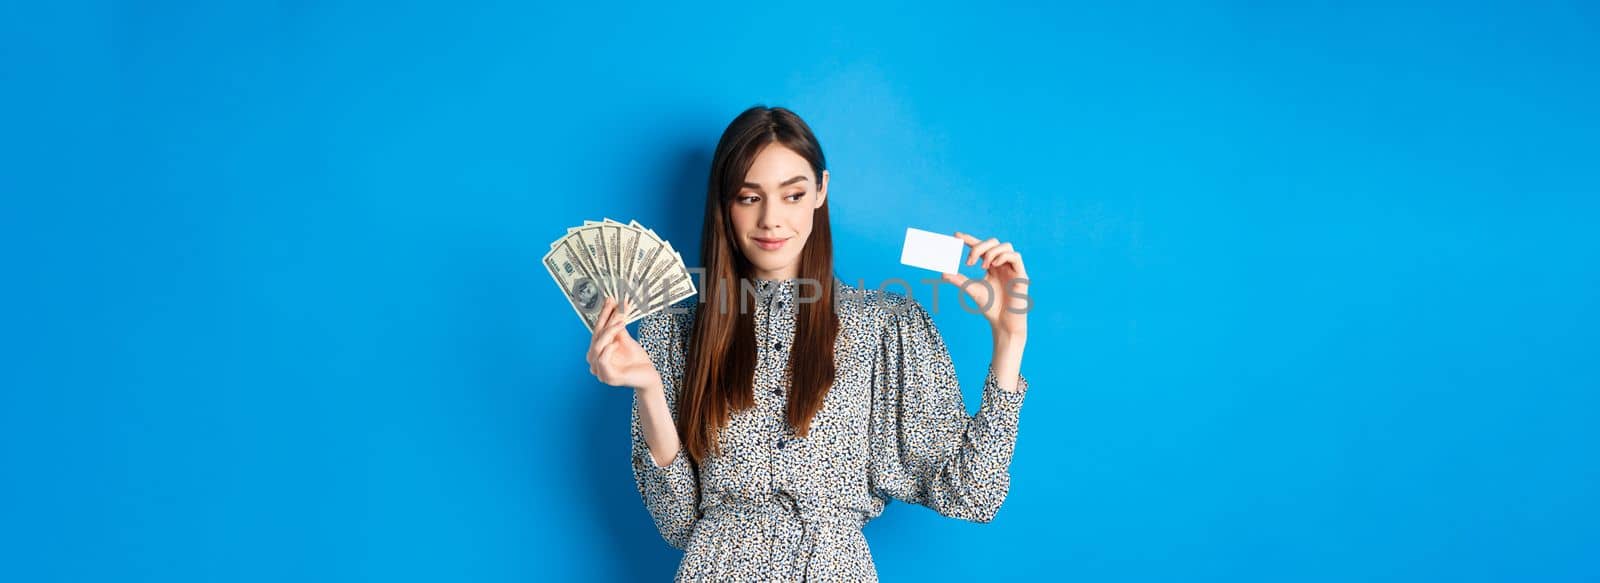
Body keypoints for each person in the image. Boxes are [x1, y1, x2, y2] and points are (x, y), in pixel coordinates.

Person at [584, 105, 1030, 581]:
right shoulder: (673, 335)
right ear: (725, 204)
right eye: (749, 197)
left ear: (821, 191)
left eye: (793, 194)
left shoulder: (882, 327)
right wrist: (649, 389)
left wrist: (1008, 342)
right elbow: (677, 523)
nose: (772, 219)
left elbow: (973, 495)